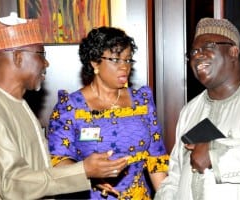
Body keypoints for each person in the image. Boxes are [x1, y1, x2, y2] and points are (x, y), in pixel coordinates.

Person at [0, 13, 129, 199]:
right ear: (18, 57)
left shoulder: (16, 103)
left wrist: (88, 176)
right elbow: (12, 184)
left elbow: (37, 169)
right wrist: (83, 170)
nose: (46, 63)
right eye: (41, 54)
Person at [47, 26, 169, 199]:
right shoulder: (70, 107)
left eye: (128, 60)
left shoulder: (142, 100)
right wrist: (87, 174)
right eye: (116, 60)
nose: (124, 67)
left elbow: (156, 159)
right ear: (95, 62)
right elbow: (57, 161)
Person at [154, 18, 240, 200]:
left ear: (233, 51)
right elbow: (174, 176)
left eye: (208, 46)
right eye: (194, 51)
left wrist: (216, 153)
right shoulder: (190, 110)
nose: (198, 55)